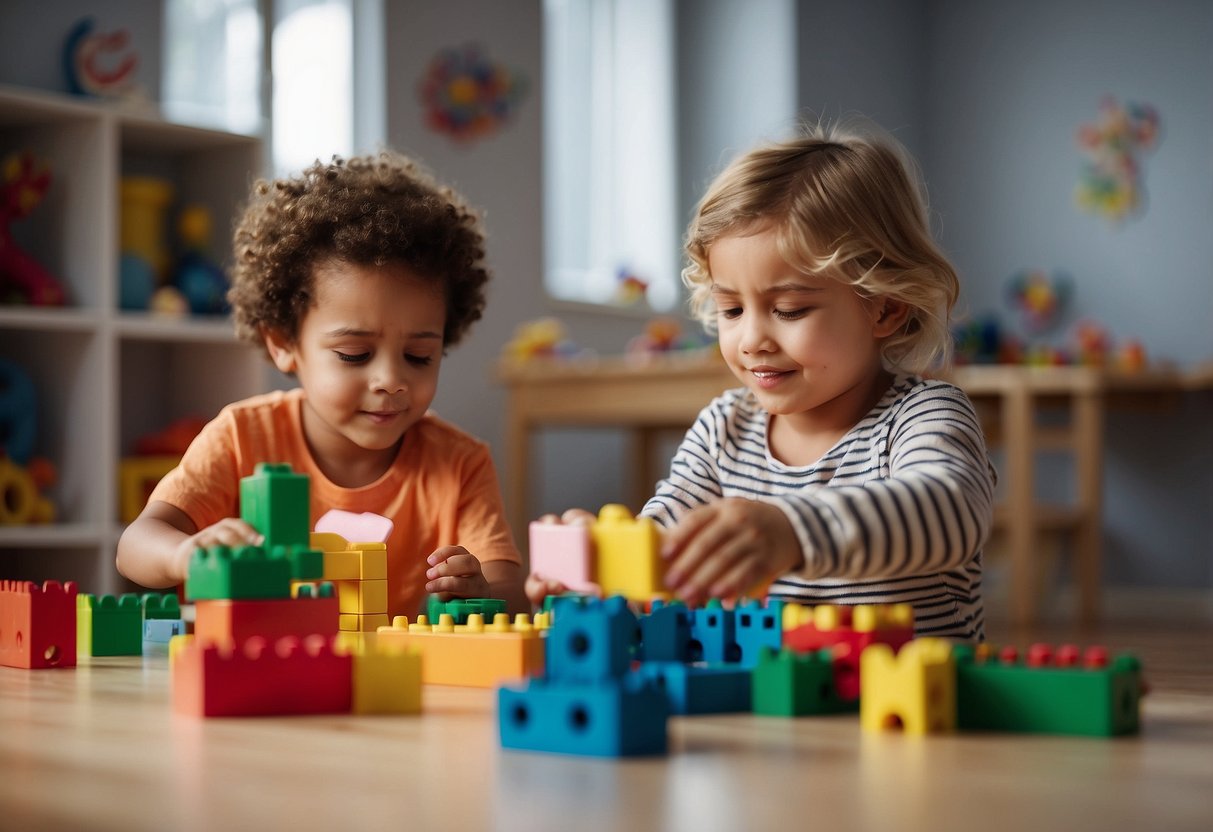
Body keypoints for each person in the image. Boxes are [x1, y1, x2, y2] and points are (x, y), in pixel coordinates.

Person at [527, 120, 995, 640]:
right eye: (731, 309)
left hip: (911, 707)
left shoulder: (923, 415)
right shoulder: (724, 429)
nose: (751, 339)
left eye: (790, 310)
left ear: (884, 308)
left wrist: (791, 532)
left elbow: (950, 512)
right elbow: (665, 543)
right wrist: (599, 561)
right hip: (768, 714)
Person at [117, 151, 528, 617]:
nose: (391, 379)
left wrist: (479, 588)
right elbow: (134, 546)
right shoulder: (241, 437)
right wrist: (183, 554)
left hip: (390, 681)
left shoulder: (460, 464)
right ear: (283, 343)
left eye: (419, 356)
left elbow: (513, 593)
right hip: (261, 671)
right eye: (355, 354)